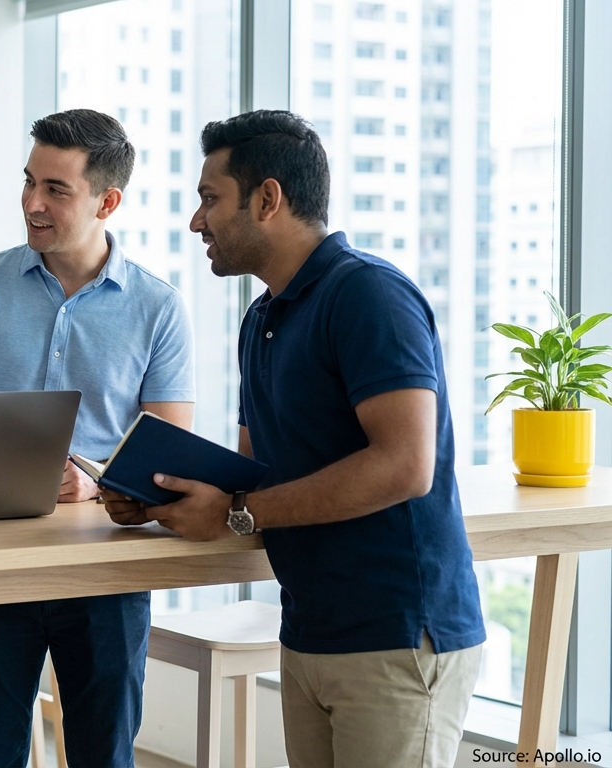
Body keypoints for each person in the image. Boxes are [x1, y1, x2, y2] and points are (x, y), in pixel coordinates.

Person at [105, 110, 486, 768]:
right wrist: (160, 498)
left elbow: (405, 465)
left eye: (209, 199)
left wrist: (235, 512)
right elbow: (255, 477)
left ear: (268, 198)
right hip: (310, 632)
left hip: (396, 638)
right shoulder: (263, 319)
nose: (197, 221)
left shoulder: (368, 295)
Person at [0, 109, 196, 767]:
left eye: (55, 189)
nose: (31, 203)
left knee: (104, 755)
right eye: (28, 182)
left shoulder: (157, 308)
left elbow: (168, 458)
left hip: (105, 569)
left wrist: (95, 481)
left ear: (108, 201)